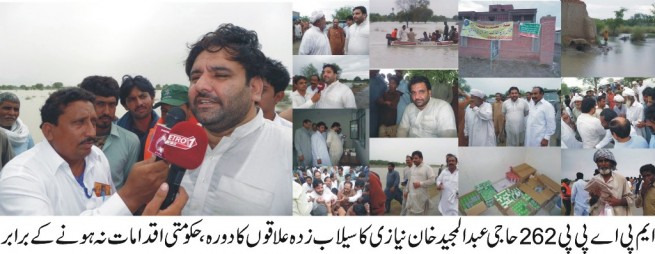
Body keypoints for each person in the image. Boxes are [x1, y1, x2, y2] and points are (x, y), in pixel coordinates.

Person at [0, 88, 184, 215]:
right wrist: (129, 196)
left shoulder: (97, 157)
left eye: (93, 122)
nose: (91, 132)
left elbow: (110, 209)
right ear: (49, 131)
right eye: (79, 122)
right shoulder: (19, 178)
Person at [181, 24, 291, 215]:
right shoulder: (178, 143)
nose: (200, 85)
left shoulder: (289, 148)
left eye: (221, 75)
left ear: (255, 88)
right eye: (195, 77)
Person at [79, 76, 140, 189]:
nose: (107, 111)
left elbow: (128, 186)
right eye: (100, 104)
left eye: (112, 105)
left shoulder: (130, 141)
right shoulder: (72, 139)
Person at [143, 84, 199, 160]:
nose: (169, 115)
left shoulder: (205, 136)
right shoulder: (156, 135)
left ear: (190, 109)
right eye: (164, 110)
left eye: (175, 110)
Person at [117, 75, 159, 161]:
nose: (139, 103)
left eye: (143, 96)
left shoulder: (165, 129)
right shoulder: (116, 134)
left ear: (152, 98)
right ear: (125, 105)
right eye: (132, 99)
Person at [587, 149, 633, 216]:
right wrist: (594, 198)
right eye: (600, 161)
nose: (603, 163)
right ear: (597, 164)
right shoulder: (593, 180)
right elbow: (590, 202)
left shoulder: (621, 179)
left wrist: (619, 202)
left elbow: (631, 199)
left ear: (612, 163)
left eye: (606, 160)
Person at [260, 57, 292, 128]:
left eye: (261, 90)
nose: (253, 95)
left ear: (278, 97)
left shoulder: (288, 133)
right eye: (248, 88)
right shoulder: (231, 130)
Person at [404, 151, 436, 215]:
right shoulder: (412, 168)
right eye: (413, 158)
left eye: (416, 158)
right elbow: (409, 180)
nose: (414, 160)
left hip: (421, 197)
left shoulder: (427, 168)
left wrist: (420, 184)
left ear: (421, 158)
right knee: (410, 213)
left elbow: (432, 180)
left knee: (421, 215)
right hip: (412, 196)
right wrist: (406, 190)